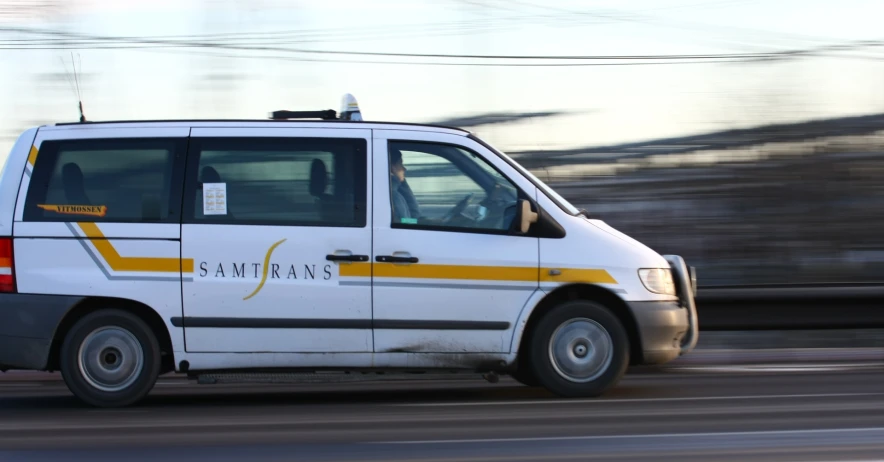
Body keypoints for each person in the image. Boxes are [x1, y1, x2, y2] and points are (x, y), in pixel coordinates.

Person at [390, 149, 421, 222]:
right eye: (400, 164)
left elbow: (412, 218)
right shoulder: (393, 196)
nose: (404, 168)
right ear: (392, 167)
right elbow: (405, 223)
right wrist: (425, 223)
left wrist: (402, 182)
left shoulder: (395, 191)